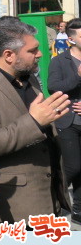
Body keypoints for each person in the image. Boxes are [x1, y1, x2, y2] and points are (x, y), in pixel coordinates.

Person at [0, 19, 70, 224]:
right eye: (32, 51)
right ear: (9, 55)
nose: (39, 54)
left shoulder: (27, 77)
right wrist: (34, 121)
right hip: (14, 207)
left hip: (49, 196)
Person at [49, 18, 81, 224]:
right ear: (71, 39)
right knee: (73, 168)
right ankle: (59, 203)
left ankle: (78, 211)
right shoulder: (59, 61)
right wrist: (77, 77)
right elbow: (53, 87)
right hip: (68, 122)